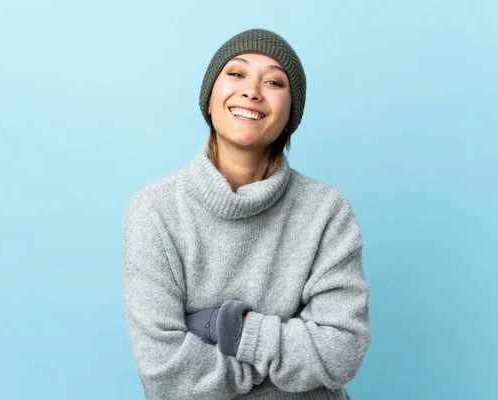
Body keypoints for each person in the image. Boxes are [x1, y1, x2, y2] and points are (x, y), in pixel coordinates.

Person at [122, 28, 371, 400]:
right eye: (236, 74)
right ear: (209, 100)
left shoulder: (325, 210)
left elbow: (340, 352)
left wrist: (232, 329)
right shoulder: (154, 211)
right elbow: (165, 374)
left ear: (290, 117)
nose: (252, 90)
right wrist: (288, 357)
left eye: (273, 82)